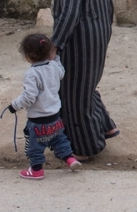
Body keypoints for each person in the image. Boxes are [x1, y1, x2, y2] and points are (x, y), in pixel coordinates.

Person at [49, 0, 119, 158]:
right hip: (97, 38)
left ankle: (86, 147)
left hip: (78, 42)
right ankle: (107, 125)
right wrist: (103, 35)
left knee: (73, 94)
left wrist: (55, 45)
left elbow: (68, 14)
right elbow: (109, 8)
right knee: (86, 86)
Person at [6, 33, 81, 180]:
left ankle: (36, 170)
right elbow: (61, 72)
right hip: (55, 117)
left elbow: (29, 97)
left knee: (35, 146)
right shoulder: (54, 66)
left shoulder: (32, 74)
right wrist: (56, 58)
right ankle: (70, 159)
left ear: (28, 57)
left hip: (38, 121)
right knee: (59, 140)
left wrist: (14, 105)